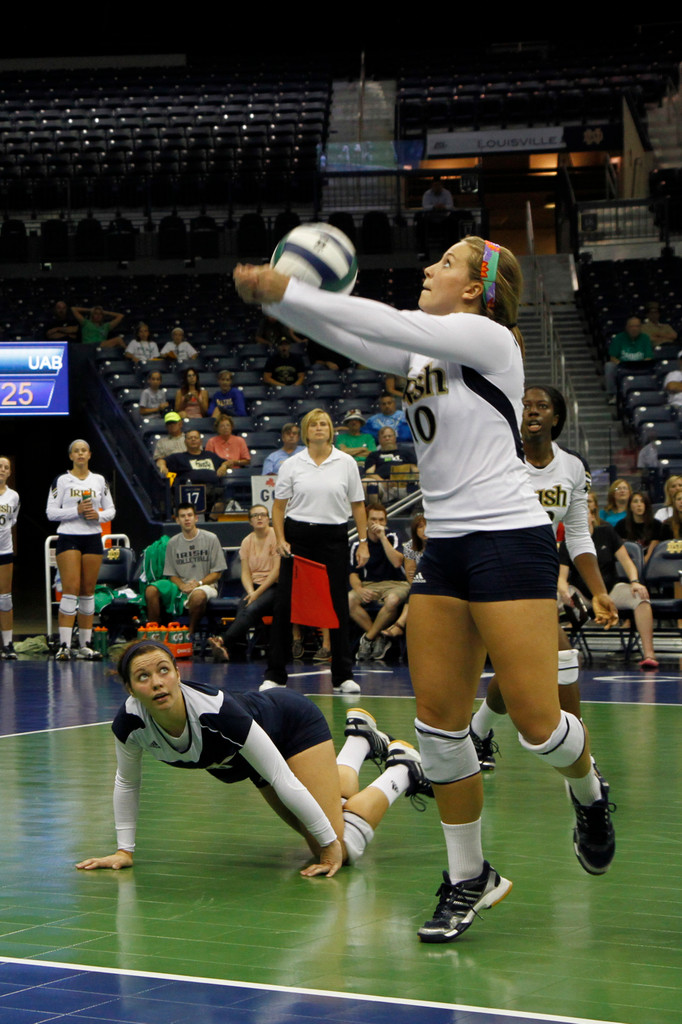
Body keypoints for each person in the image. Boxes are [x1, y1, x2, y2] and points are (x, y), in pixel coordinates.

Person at [234, 235, 616, 944]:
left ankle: (590, 791)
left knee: (537, 726)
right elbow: (352, 331)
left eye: (445, 263)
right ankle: (470, 876)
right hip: (447, 549)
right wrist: (282, 304)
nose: (428, 269)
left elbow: (383, 320)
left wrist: (288, 289)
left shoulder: (489, 338)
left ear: (476, 287)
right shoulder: (422, 355)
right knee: (440, 729)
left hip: (509, 539)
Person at [76, 640, 431, 876]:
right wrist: (125, 851)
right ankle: (360, 741)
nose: (157, 683)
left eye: (164, 670)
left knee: (343, 846)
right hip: (253, 761)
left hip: (291, 726)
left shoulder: (216, 713)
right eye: (143, 677)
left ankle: (403, 768)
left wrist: (328, 846)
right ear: (130, 689)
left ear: (178, 673)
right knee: (332, 803)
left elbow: (282, 776)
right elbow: (127, 782)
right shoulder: (130, 724)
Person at [470, 385, 618, 768]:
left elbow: (580, 535)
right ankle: (582, 753)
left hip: (537, 576)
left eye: (542, 406)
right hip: (492, 570)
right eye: (525, 406)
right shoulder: (500, 460)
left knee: (518, 665)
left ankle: (477, 732)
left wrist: (599, 591)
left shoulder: (572, 468)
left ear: (556, 417)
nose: (532, 411)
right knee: (563, 655)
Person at [259, 408, 368, 695]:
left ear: (331, 430)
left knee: (338, 606)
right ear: (306, 431)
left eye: (324, 424)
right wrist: (280, 539)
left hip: (334, 537)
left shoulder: (346, 463)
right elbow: (279, 507)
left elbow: (358, 505)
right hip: (298, 538)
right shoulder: (291, 464)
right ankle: (274, 674)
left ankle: (343, 675)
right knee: (284, 606)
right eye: (314, 424)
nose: (319, 428)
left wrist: (365, 542)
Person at [559, 505, 659, 670]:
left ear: (592, 516)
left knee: (641, 596)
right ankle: (560, 655)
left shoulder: (606, 533)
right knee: (554, 598)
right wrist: (563, 591)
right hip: (581, 594)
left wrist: (635, 581)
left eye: (584, 514)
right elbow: (562, 577)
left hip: (610, 590)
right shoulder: (567, 541)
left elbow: (627, 562)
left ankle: (649, 654)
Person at [46, 440, 115, 660]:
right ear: (71, 456)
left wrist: (99, 516)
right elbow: (51, 513)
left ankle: (85, 644)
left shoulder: (99, 480)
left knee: (87, 590)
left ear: (90, 454)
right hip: (69, 537)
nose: (80, 454)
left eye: (84, 450)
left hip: (93, 537)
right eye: (76, 451)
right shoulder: (62, 480)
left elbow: (111, 509)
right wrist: (75, 511)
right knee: (71, 588)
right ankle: (64, 645)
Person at [144, 504, 226, 645]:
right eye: (183, 516)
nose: (186, 519)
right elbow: (171, 574)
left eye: (189, 515)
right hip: (180, 586)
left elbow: (217, 573)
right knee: (151, 590)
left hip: (206, 585)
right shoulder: (172, 543)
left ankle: (189, 635)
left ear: (195, 518)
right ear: (177, 520)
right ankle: (155, 634)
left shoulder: (211, 538)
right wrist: (182, 585)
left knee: (198, 595)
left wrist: (198, 583)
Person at [208, 504, 279, 662]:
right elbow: (245, 572)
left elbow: (276, 572)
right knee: (243, 606)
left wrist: (256, 594)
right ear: (250, 522)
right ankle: (233, 652)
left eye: (262, 514)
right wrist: (250, 591)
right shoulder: (247, 541)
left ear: (268, 519)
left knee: (250, 608)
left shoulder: (275, 536)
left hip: (274, 586)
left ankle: (223, 640)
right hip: (253, 587)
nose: (259, 518)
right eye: (255, 515)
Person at [349, 503, 409, 662]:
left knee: (392, 600)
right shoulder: (357, 543)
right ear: (366, 521)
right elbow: (353, 574)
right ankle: (379, 639)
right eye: (374, 519)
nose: (378, 523)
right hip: (370, 584)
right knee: (348, 600)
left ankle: (367, 639)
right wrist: (359, 589)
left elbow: (397, 562)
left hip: (396, 583)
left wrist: (382, 537)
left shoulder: (394, 536)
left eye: (381, 520)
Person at [381, 511, 427, 644]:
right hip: (417, 586)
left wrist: (420, 575)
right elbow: (410, 575)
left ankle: (399, 625)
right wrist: (420, 576)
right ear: (414, 530)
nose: (424, 530)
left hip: (436, 585)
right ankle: (399, 626)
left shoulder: (438, 545)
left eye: (426, 526)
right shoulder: (410, 547)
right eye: (420, 527)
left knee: (416, 590)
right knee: (415, 589)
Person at [166, 431, 234, 516]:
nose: (193, 440)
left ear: (200, 441)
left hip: (213, 490)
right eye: (190, 438)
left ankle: (212, 520)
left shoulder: (210, 455)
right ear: (185, 442)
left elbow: (229, 462)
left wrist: (224, 466)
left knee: (224, 496)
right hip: (190, 490)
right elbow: (161, 461)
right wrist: (162, 466)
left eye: (195, 437)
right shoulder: (178, 457)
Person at [362, 425, 418, 499]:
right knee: (367, 483)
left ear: (395, 437)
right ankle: (376, 508)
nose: (387, 438)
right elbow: (369, 473)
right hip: (383, 486)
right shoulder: (374, 455)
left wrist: (407, 479)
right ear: (379, 439)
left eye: (389, 436)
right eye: (384, 437)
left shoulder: (406, 452)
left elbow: (415, 470)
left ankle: (415, 509)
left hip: (405, 485)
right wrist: (383, 482)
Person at [605, 317, 654, 400]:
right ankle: (612, 395)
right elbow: (613, 357)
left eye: (637, 326)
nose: (634, 329)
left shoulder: (645, 338)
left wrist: (639, 365)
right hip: (623, 365)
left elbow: (648, 357)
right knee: (609, 366)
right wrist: (622, 365)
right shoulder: (619, 338)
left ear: (640, 327)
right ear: (627, 327)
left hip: (640, 365)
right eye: (632, 326)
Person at [0, 457, 19, 659]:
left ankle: (7, 645)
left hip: (4, 551)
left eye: (6, 467)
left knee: (5, 598)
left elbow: (12, 521)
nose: (2, 469)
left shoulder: (13, 496)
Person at [615, 491, 663, 564]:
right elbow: (621, 550)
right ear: (630, 506)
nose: (639, 505)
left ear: (646, 505)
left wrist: (639, 566)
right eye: (635, 501)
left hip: (651, 563)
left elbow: (651, 554)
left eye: (642, 502)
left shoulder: (656, 525)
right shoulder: (621, 525)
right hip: (628, 562)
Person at [153, 412, 186, 476]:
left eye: (174, 423)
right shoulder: (161, 442)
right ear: (166, 426)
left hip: (188, 468)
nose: (171, 425)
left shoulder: (189, 438)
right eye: (169, 423)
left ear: (180, 424)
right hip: (171, 470)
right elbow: (159, 459)